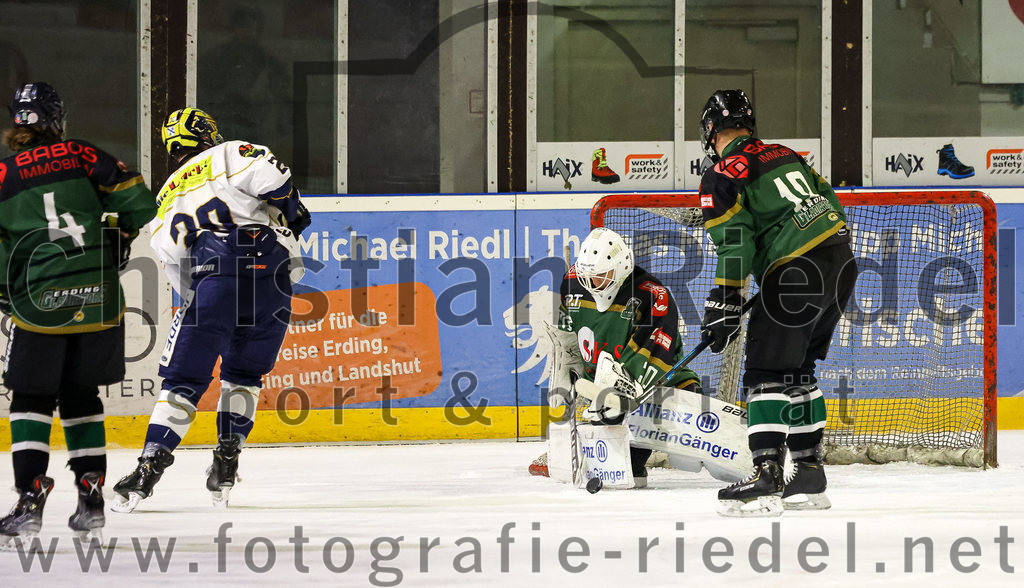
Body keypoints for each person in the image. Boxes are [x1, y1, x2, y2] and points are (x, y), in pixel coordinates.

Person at [112, 107, 310, 511]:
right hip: (273, 280)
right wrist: (293, 213)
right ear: (209, 133)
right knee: (244, 374)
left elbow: (171, 260)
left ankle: (149, 467)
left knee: (182, 382)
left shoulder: (166, 193)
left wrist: (203, 299)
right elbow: (277, 181)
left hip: (212, 279)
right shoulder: (231, 151)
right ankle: (226, 460)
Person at [0, 82, 157, 543]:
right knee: (81, 394)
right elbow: (139, 202)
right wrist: (120, 238)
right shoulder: (83, 155)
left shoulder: (5, 176)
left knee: (30, 398)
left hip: (40, 304)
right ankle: (91, 496)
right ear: (56, 118)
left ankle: (30, 497)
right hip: (98, 299)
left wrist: (6, 294)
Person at [697, 89, 857, 516]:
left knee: (766, 371)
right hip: (841, 262)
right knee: (798, 370)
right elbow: (831, 203)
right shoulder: (786, 153)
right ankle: (808, 475)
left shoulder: (721, 174)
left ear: (710, 130)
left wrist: (725, 298)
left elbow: (735, 240)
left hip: (794, 269)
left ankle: (766, 476)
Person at [540, 227, 702, 487]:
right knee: (627, 475)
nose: (594, 283)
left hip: (657, 381)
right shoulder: (573, 283)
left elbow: (654, 353)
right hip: (600, 384)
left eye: (602, 276)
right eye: (589, 276)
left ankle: (674, 438)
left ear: (622, 267)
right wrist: (566, 368)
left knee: (685, 402)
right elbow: (568, 337)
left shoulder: (652, 294)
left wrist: (616, 394)